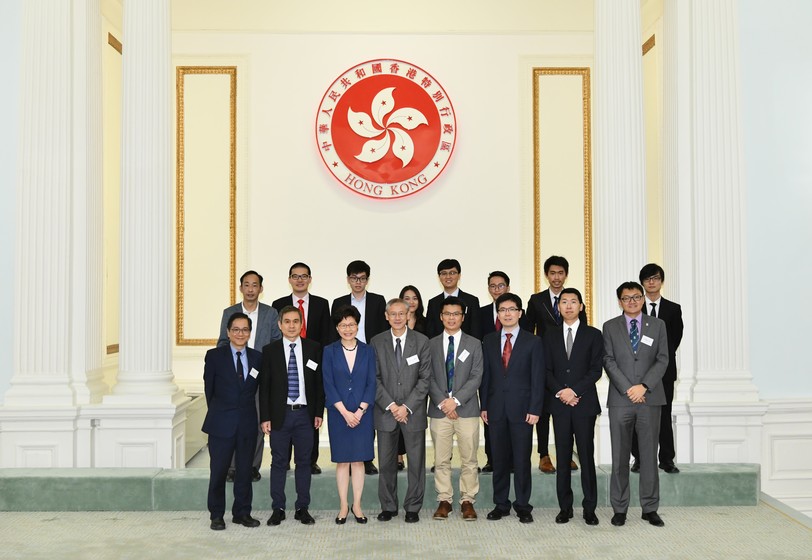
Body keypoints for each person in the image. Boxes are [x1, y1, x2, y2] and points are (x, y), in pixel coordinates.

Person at [603, 282, 669, 528]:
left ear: (643, 299)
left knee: (649, 456)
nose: (631, 301)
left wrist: (644, 386)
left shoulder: (658, 325)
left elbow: (663, 359)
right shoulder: (610, 327)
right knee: (619, 456)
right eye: (626, 298)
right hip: (621, 399)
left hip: (650, 399)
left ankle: (649, 508)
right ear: (619, 301)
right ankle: (619, 508)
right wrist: (628, 388)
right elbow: (608, 360)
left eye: (636, 297)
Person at [480, 293, 544, 523]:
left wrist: (535, 408)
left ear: (520, 313)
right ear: (498, 314)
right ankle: (501, 504)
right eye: (502, 310)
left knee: (521, 459)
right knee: (499, 458)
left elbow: (538, 378)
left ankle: (523, 505)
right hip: (495, 408)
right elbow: (486, 376)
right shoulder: (488, 340)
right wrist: (484, 405)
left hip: (523, 410)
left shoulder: (533, 341)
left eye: (511, 309)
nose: (507, 313)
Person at [259, 306, 325, 526]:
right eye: (286, 321)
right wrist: (265, 417)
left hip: (305, 415)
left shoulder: (314, 348)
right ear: (279, 325)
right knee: (279, 462)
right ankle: (278, 508)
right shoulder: (270, 350)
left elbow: (318, 384)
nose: (291, 325)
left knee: (304, 462)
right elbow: (265, 387)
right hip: (280, 416)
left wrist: (318, 412)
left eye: (296, 321)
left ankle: (302, 507)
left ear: (301, 324)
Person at [544, 288, 603, 526]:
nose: (568, 306)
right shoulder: (549, 335)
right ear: (559, 307)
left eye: (573, 302)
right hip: (560, 405)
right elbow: (546, 370)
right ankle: (564, 508)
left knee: (586, 456)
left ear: (581, 306)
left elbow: (596, 370)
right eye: (564, 302)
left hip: (584, 404)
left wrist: (574, 391)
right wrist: (561, 392)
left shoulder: (593, 335)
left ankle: (590, 508)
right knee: (563, 455)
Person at [217, 270, 282, 483]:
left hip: (261, 376)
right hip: (235, 378)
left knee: (258, 422)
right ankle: (234, 466)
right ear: (241, 288)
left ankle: (253, 466)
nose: (251, 289)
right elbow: (222, 343)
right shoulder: (230, 312)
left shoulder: (271, 313)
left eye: (255, 285)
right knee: (234, 422)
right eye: (247, 285)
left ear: (261, 289)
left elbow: (275, 344)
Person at [371, 298, 431, 523]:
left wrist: (406, 406)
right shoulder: (376, 342)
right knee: (386, 463)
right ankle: (388, 506)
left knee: (416, 462)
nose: (397, 318)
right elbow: (374, 378)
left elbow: (425, 379)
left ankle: (413, 507)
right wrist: (392, 405)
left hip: (412, 412)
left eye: (401, 314)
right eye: (392, 314)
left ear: (408, 315)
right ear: (386, 316)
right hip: (386, 411)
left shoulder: (422, 341)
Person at [523, 256, 585, 474]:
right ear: (546, 275)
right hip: (543, 361)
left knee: (565, 411)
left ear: (566, 274)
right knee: (542, 410)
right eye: (552, 273)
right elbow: (527, 331)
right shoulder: (536, 300)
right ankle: (543, 455)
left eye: (560, 273)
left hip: (567, 363)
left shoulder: (573, 298)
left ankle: (565, 454)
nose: (556, 277)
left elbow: (582, 332)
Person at [202, 312, 263, 530]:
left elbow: (258, 391)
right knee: (218, 472)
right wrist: (221, 414)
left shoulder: (257, 357)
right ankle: (216, 515)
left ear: (249, 332)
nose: (240, 333)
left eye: (244, 329)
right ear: (228, 332)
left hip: (247, 424)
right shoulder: (214, 356)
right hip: (221, 424)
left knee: (245, 472)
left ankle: (242, 513)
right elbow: (209, 391)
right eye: (235, 329)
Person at [272, 262, 332, 475]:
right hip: (287, 363)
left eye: (303, 276)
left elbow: (326, 336)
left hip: (312, 363)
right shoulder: (278, 303)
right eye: (295, 276)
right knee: (285, 413)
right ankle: (285, 459)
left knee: (311, 412)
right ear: (289, 279)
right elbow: (275, 336)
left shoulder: (321, 304)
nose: (299, 279)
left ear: (309, 279)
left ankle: (311, 460)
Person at [428, 296, 484, 521]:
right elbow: (427, 376)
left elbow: (476, 375)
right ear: (441, 317)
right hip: (439, 410)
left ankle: (468, 500)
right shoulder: (429, 344)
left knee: (469, 458)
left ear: (462, 317)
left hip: (467, 409)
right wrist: (444, 402)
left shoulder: (474, 343)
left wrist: (456, 401)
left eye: (456, 314)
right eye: (447, 314)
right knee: (441, 459)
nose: (452, 318)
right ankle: (444, 499)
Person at [331, 260, 387, 475]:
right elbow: (333, 331)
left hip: (368, 356)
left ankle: (366, 458)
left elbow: (382, 332)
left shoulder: (378, 301)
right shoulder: (338, 302)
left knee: (367, 407)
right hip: (345, 357)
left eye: (362, 278)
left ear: (367, 279)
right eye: (354, 278)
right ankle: (348, 456)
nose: (358, 282)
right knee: (347, 405)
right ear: (348, 279)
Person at [322, 305, 376, 524]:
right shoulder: (329, 351)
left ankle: (358, 505)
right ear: (337, 327)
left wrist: (361, 410)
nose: (348, 328)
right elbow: (328, 383)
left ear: (357, 325)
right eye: (343, 325)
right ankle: (344, 505)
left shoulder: (368, 350)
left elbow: (372, 382)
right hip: (339, 414)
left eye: (351, 324)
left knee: (359, 462)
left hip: (363, 414)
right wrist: (345, 413)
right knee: (343, 462)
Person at [630, 263, 684, 475]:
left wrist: (660, 360)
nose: (651, 282)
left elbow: (675, 339)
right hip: (638, 372)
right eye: (647, 279)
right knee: (638, 415)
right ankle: (640, 459)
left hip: (664, 372)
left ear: (662, 281)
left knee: (664, 414)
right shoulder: (635, 308)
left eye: (656, 278)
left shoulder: (673, 308)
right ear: (642, 283)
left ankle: (667, 459)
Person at [477, 270, 512, 472]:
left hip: (513, 375)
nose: (496, 289)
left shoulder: (517, 312)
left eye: (500, 286)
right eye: (492, 286)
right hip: (489, 375)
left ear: (507, 287)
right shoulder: (481, 313)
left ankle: (513, 460)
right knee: (490, 417)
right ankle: (492, 459)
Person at [397, 284, 427, 470]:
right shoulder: (396, 322)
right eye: (406, 298)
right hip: (398, 381)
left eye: (414, 298)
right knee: (397, 418)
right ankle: (398, 456)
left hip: (420, 379)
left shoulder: (426, 322)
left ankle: (414, 458)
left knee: (416, 420)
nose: (411, 301)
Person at [425, 258, 482, 339]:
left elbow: (476, 331)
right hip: (440, 349)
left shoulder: (472, 301)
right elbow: (430, 332)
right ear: (439, 277)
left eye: (452, 273)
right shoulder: (433, 303)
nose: (448, 276)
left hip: (466, 348)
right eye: (444, 273)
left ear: (459, 275)